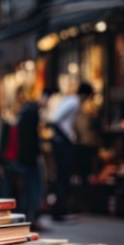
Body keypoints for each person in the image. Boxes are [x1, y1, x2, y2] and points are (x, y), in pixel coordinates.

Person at [48, 81, 94, 221]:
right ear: (85, 95)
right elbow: (54, 119)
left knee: (63, 176)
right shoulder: (73, 102)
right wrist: (68, 137)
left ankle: (60, 209)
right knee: (64, 176)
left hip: (61, 141)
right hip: (63, 143)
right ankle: (60, 210)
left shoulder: (70, 100)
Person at [15, 87, 44, 229]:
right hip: (31, 157)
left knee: (26, 190)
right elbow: (33, 137)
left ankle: (27, 218)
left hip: (23, 157)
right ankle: (33, 219)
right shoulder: (32, 112)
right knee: (34, 189)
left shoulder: (23, 112)